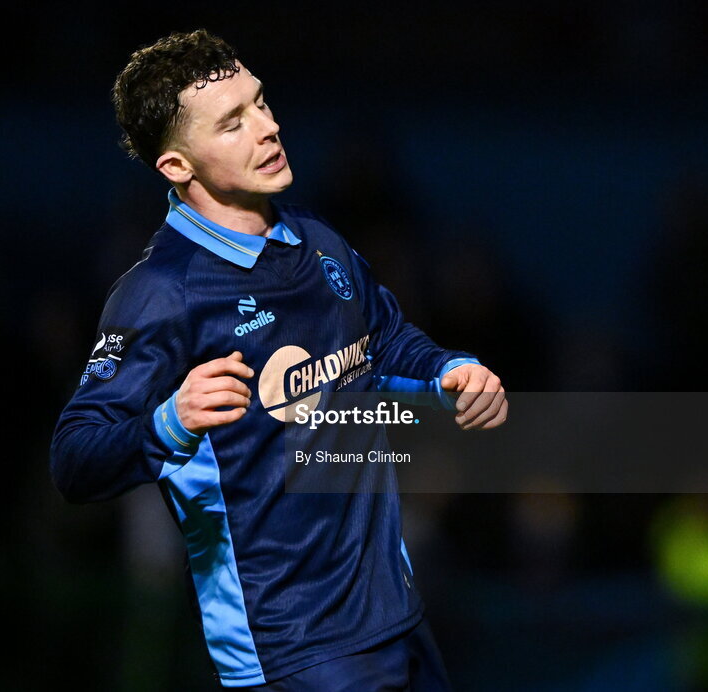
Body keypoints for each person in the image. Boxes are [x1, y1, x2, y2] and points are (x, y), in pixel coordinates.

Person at [50, 29, 507, 690]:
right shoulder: (161, 295)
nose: (269, 127)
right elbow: (74, 458)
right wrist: (170, 422)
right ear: (177, 167)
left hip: (398, 622)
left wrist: (447, 371)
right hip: (291, 654)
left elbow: (384, 341)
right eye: (233, 123)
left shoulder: (317, 239)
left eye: (261, 104)